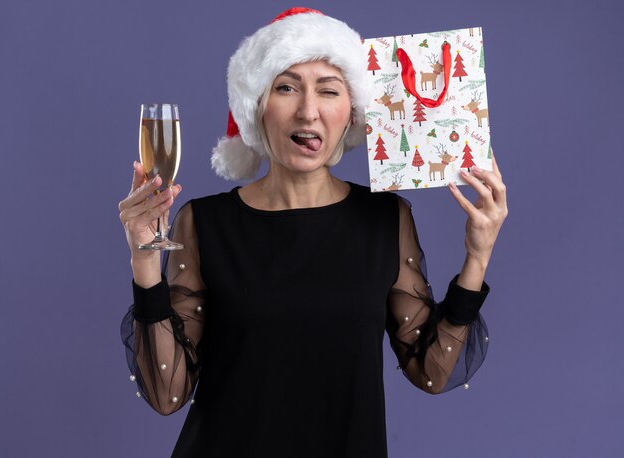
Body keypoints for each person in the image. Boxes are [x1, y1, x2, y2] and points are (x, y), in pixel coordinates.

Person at [118, 7, 507, 457]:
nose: (308, 111)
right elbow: (167, 394)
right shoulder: (205, 222)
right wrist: (145, 260)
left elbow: (432, 371)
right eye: (286, 88)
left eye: (328, 90)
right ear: (257, 107)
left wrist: (477, 257)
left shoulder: (385, 218)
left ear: (351, 112)